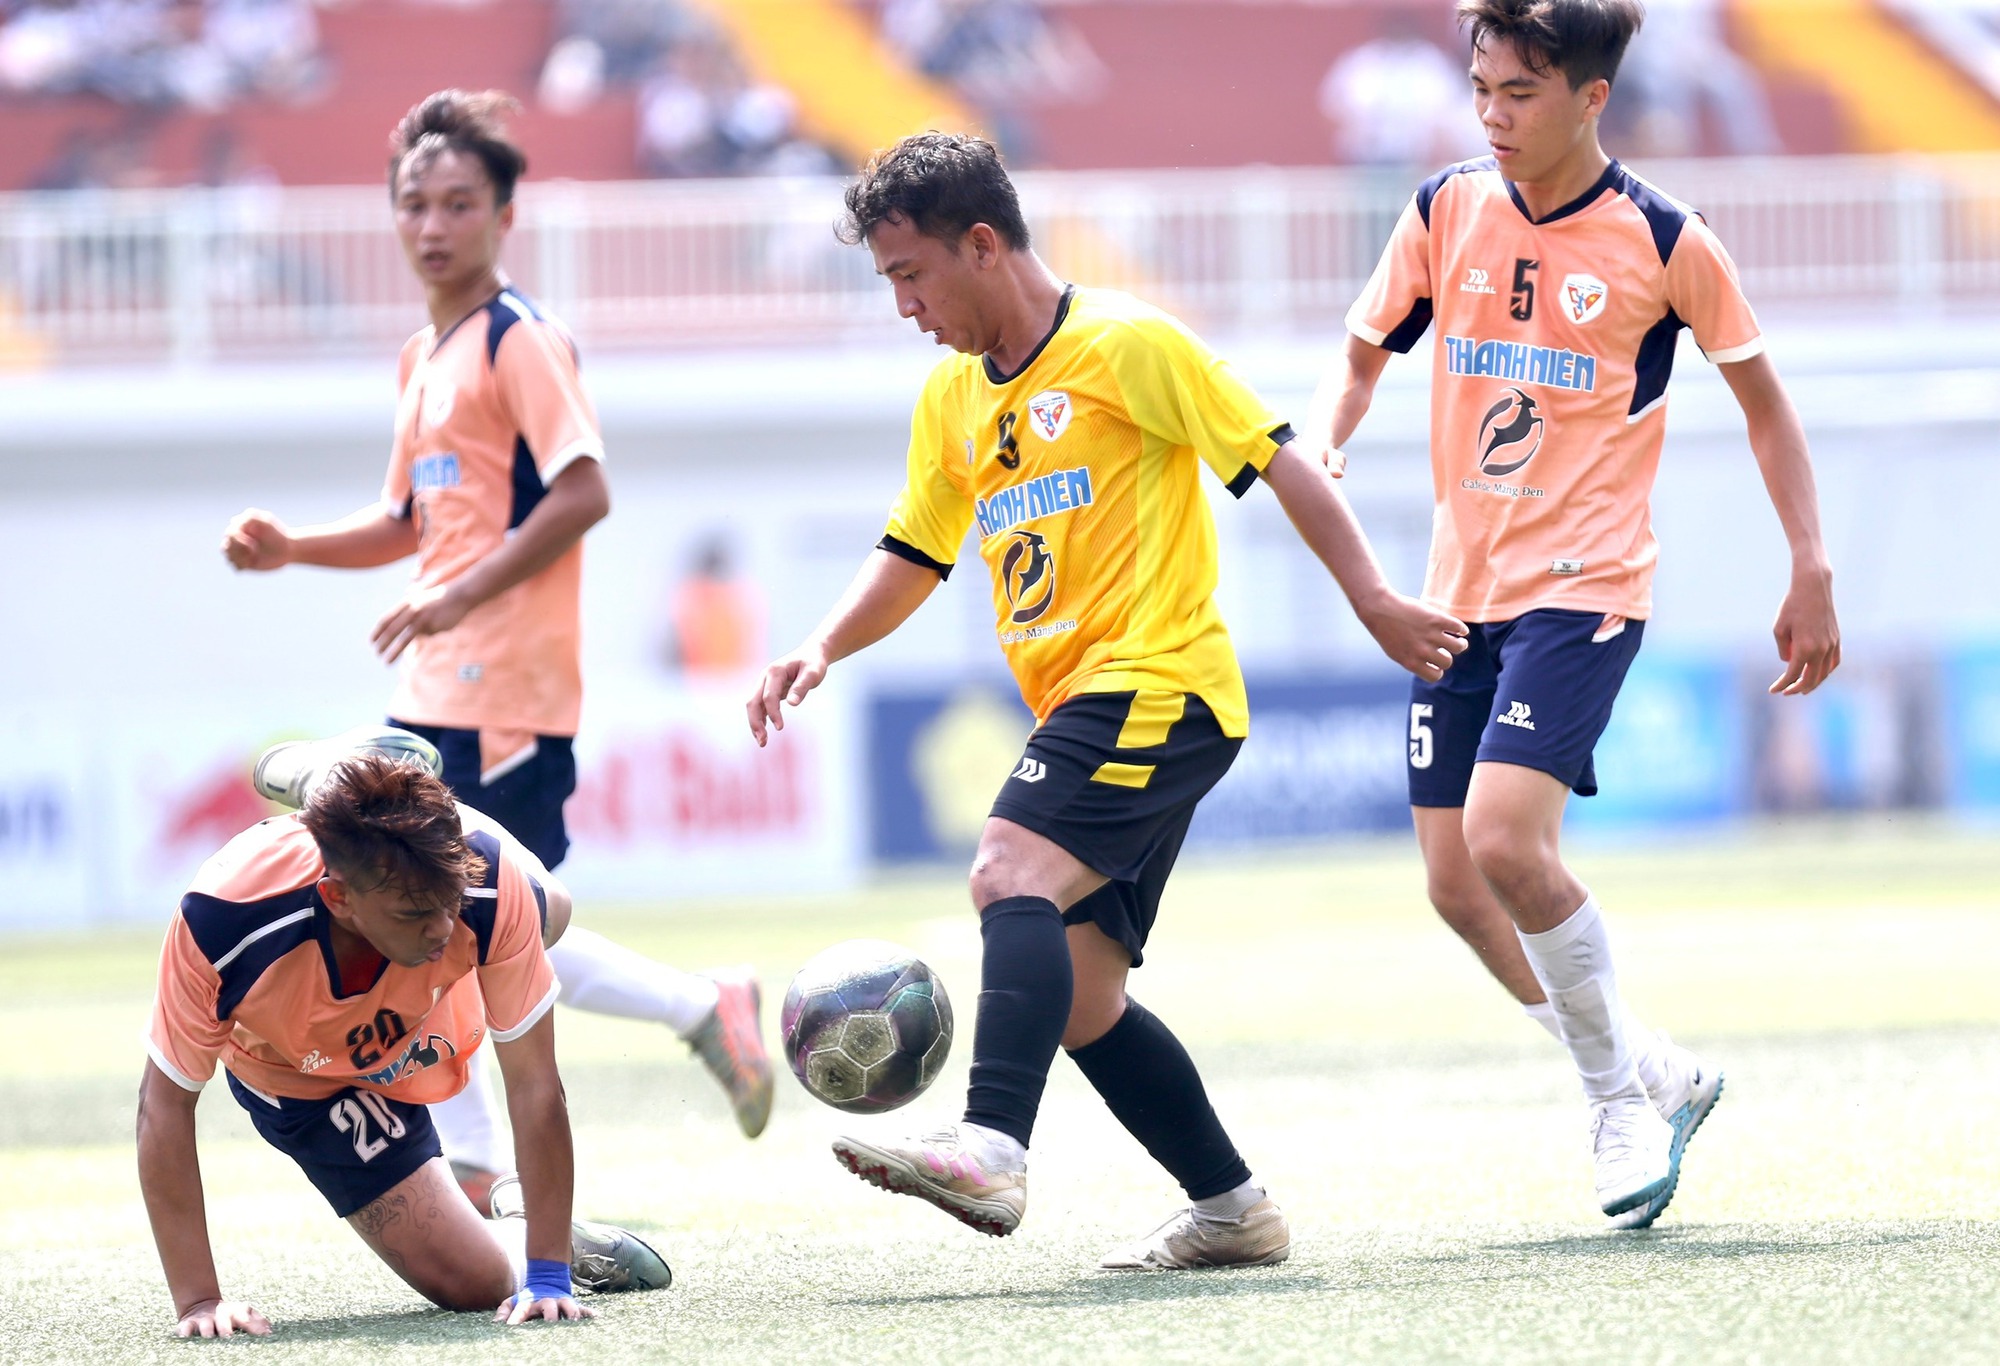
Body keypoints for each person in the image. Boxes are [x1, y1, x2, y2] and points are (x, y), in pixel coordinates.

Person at [746, 131, 1466, 1271]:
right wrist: (819, 645)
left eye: (908, 275)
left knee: (1004, 870)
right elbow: (914, 549)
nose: (903, 307)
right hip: (1085, 700)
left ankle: (990, 1142)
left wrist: (1372, 598)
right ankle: (1232, 1207)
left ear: (980, 244)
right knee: (1079, 998)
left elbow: (1277, 457)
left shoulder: (1126, 343)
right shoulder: (949, 399)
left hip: (1157, 679)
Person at [1311, 0, 1841, 1229]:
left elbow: (1765, 403)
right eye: (1480, 88)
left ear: (1590, 98)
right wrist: (1329, 443)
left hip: (1584, 586)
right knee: (1452, 884)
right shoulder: (1444, 208)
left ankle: (1611, 1098)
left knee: (1504, 840)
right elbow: (1358, 353)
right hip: (1457, 594)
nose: (1490, 115)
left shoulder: (1664, 238)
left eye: (1519, 95)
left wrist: (1808, 563)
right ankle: (1658, 1071)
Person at [218, 89, 772, 1212]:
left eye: (457, 203)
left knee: (471, 916)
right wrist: (293, 549)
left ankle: (674, 1022)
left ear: (502, 212)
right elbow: (405, 524)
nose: (432, 224)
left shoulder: (522, 339)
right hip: (433, 685)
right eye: (414, 203)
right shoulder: (422, 353)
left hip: (507, 691)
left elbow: (584, 491)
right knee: (431, 913)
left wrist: (452, 598)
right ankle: (502, 1141)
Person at [138, 753, 671, 1338]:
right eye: (416, 913)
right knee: (470, 1283)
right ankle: (332, 779)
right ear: (338, 899)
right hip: (301, 1073)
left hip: (428, 998)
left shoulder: (479, 887)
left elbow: (535, 1084)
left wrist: (548, 1274)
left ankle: (351, 780)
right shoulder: (222, 921)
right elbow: (163, 1107)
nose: (442, 928)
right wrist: (198, 1302)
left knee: (556, 909)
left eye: (450, 903)